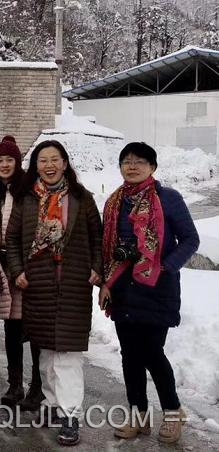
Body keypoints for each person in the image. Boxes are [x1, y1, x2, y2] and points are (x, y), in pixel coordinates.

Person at [98, 142, 199, 444]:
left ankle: (173, 412)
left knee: (152, 353)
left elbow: (190, 239)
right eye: (126, 161)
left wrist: (165, 266)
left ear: (152, 167)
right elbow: (107, 246)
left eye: (140, 161)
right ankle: (139, 415)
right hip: (122, 288)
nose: (132, 166)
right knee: (130, 356)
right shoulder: (115, 202)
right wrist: (106, 282)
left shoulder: (168, 198)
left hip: (157, 288)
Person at [5, 140, 103, 446]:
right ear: (35, 166)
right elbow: (12, 240)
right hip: (38, 285)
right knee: (46, 351)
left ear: (64, 163)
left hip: (73, 285)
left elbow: (97, 237)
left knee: (68, 355)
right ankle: (51, 404)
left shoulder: (82, 198)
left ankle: (70, 415)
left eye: (54, 159)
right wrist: (17, 272)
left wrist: (96, 268)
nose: (49, 165)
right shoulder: (26, 200)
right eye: (42, 160)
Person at [0, 136, 42, 410]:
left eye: (9, 160)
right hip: (4, 266)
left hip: (28, 267)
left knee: (35, 330)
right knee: (11, 328)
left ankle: (38, 387)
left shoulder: (29, 189)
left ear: (18, 162)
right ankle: (15, 384)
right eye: (0, 160)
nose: (5, 165)